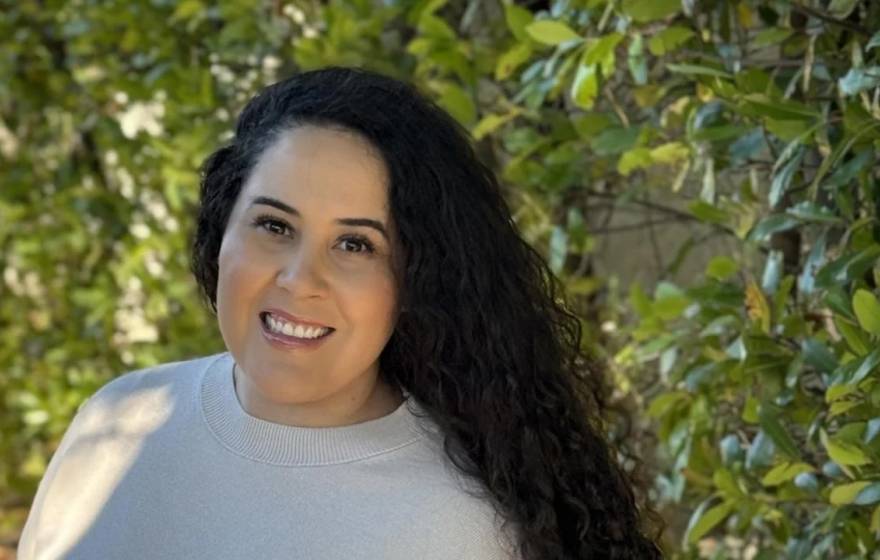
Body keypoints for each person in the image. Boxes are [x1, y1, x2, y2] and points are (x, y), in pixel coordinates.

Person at [17, 66, 662, 559]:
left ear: (418, 280)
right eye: (273, 225)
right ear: (222, 234)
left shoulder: (464, 526)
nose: (301, 280)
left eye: (356, 244)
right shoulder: (116, 420)